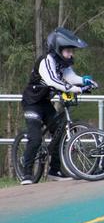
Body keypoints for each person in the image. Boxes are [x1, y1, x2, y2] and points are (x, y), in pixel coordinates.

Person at [20, 27, 98, 185]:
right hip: (32, 103)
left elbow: (71, 77)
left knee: (60, 133)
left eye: (72, 51)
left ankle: (54, 170)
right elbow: (53, 81)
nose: (71, 54)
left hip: (45, 103)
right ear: (58, 49)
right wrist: (73, 88)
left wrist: (85, 81)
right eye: (68, 51)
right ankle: (27, 173)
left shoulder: (62, 64)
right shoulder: (46, 61)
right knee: (35, 139)